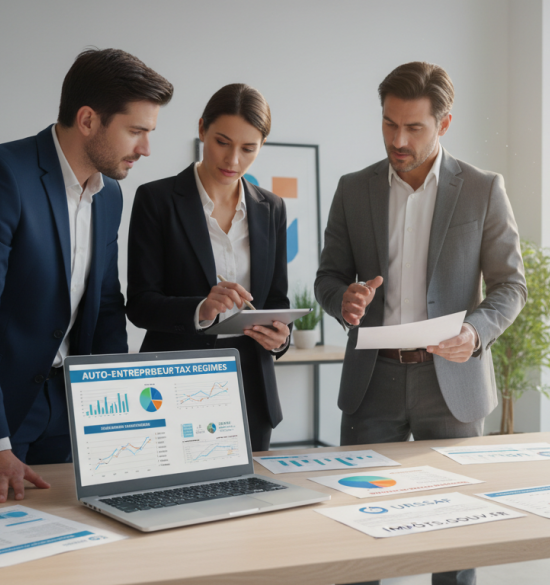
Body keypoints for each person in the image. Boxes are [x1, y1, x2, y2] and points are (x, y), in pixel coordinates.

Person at [0, 48, 174, 504]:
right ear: (87, 120)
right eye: (136, 131)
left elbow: (106, 306)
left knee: (74, 528)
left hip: (66, 402)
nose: (146, 148)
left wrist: (119, 420)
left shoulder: (109, 196)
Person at [315, 61, 527, 585]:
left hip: (451, 383)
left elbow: (511, 286)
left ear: (444, 123)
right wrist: (345, 300)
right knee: (357, 529)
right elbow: (328, 278)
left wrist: (475, 332)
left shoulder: (482, 189)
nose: (398, 139)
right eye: (389, 124)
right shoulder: (353, 189)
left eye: (413, 127)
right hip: (373, 382)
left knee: (455, 537)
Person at [127, 83, 290, 452]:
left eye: (248, 148)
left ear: (262, 145)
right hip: (174, 385)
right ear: (202, 129)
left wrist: (281, 338)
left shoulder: (272, 209)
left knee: (251, 488)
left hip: (251, 388)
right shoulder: (156, 200)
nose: (233, 160)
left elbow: (276, 300)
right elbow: (139, 304)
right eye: (222, 142)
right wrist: (200, 309)